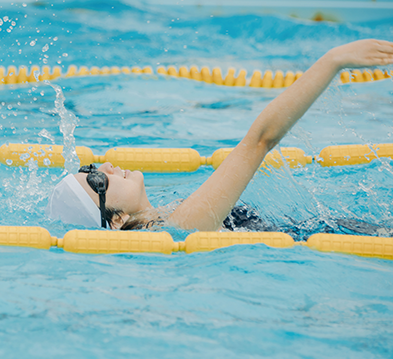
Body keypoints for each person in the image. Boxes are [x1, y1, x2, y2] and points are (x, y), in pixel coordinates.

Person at [46, 39, 393, 232]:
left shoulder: (172, 216)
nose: (105, 166)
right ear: (116, 218)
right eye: (96, 179)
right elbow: (261, 140)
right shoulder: (183, 225)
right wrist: (333, 60)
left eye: (93, 166)